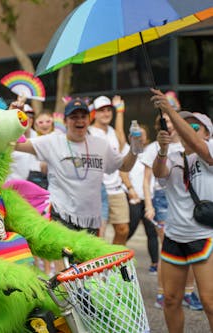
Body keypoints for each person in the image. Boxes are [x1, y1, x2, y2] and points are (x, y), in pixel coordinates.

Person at [16, 98, 138, 234]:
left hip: (90, 219)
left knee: (89, 255)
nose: (79, 121)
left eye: (83, 116)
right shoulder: (52, 141)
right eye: (74, 117)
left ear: (89, 119)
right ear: (65, 121)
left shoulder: (101, 145)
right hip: (61, 215)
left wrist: (134, 149)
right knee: (60, 254)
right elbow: (16, 144)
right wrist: (15, 118)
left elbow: (125, 166)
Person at [150, 88, 213, 332]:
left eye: (195, 126)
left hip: (204, 237)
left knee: (209, 302)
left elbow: (198, 145)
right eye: (184, 125)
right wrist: (163, 150)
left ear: (207, 132)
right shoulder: (174, 155)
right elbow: (159, 173)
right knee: (171, 300)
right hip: (175, 237)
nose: (188, 129)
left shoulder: (209, 149)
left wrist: (169, 110)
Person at [142, 113, 203, 311]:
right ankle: (162, 293)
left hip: (187, 199)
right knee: (167, 248)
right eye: (165, 121)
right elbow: (147, 180)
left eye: (172, 120)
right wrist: (149, 205)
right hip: (162, 199)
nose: (169, 124)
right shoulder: (153, 148)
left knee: (193, 248)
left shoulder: (189, 143)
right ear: (158, 123)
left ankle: (188, 293)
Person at [89, 95, 130, 244]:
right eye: (101, 110)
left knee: (123, 229)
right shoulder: (89, 132)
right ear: (95, 113)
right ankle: (100, 264)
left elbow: (121, 143)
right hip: (98, 190)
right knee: (99, 234)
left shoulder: (113, 131)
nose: (106, 113)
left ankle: (114, 263)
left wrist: (120, 112)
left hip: (116, 188)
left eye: (108, 110)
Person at [120, 124, 160, 274]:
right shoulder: (128, 151)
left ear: (147, 137)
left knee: (152, 233)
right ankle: (117, 256)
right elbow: (122, 173)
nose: (140, 137)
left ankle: (155, 263)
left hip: (149, 198)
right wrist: (131, 190)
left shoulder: (152, 151)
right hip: (134, 199)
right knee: (128, 230)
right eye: (137, 134)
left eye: (142, 134)